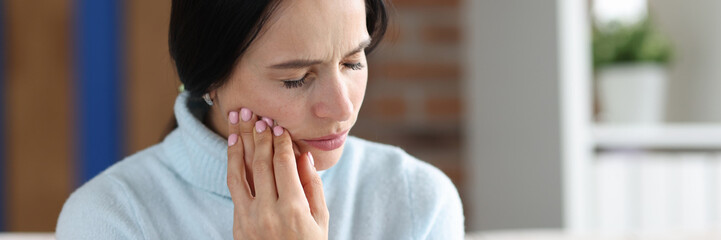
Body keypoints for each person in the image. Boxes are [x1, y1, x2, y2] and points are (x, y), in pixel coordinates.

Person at [56, 0, 464, 239]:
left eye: (353, 62)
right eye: (295, 79)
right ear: (209, 79)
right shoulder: (111, 217)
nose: (342, 109)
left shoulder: (415, 200)